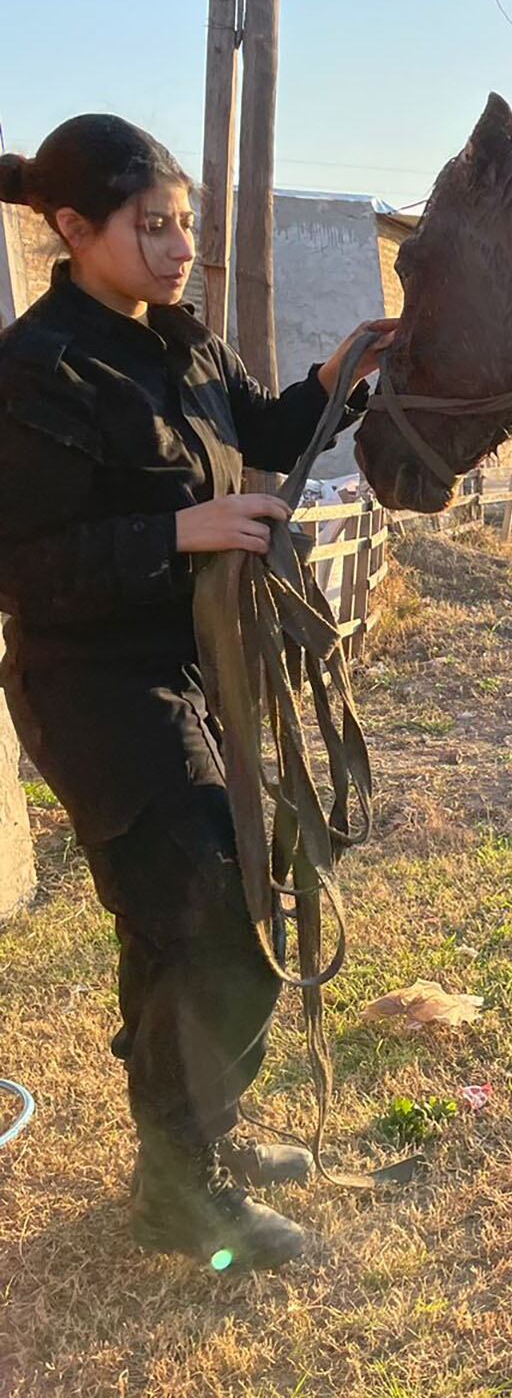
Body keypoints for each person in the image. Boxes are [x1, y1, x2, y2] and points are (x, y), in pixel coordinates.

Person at [0, 115, 393, 1270]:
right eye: (153, 226)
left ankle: (187, 1139)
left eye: (185, 225)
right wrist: (179, 531)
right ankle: (183, 1184)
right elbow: (21, 567)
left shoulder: (179, 342)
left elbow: (260, 433)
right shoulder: (38, 372)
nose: (180, 250)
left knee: (172, 917)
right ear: (74, 229)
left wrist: (337, 379)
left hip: (193, 672)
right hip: (98, 689)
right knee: (219, 910)